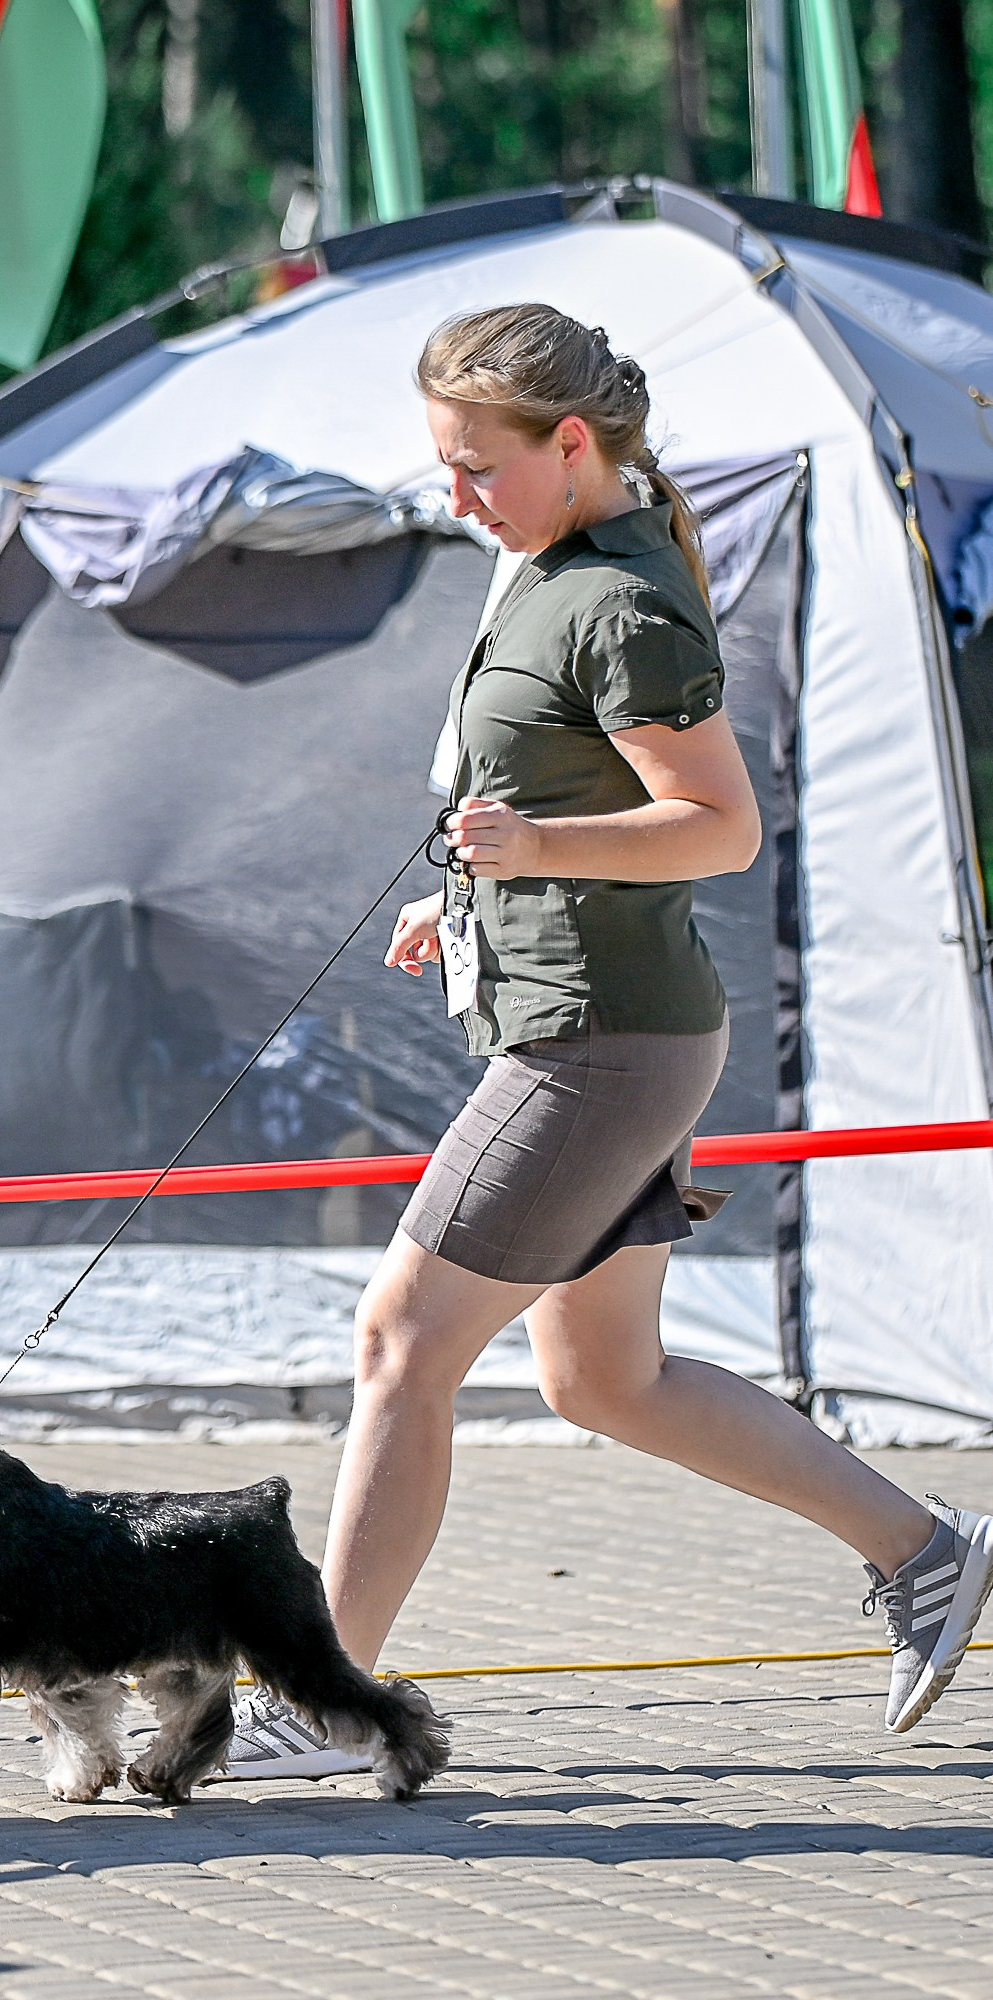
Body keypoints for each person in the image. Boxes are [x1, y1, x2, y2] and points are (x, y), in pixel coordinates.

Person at [226, 304, 993, 1781]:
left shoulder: (621, 600)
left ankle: (331, 1700)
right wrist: (468, 901)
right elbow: (548, 814)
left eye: (475, 467)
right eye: (443, 466)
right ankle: (925, 1552)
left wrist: (529, 846)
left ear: (572, 445)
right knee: (605, 1381)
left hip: (601, 1050)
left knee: (399, 1341)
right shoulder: (544, 564)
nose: (454, 495)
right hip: (595, 1021)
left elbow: (719, 825)